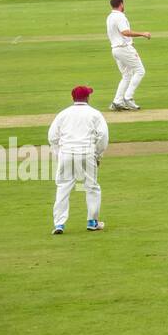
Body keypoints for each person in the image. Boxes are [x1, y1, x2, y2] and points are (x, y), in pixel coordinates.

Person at [48, 86, 109, 234]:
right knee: (92, 187)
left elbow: (52, 137)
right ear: (87, 98)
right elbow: (103, 136)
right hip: (87, 153)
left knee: (63, 187)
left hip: (67, 153)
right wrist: (98, 155)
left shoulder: (63, 114)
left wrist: (59, 153)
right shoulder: (95, 114)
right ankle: (92, 221)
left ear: (73, 98)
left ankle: (59, 224)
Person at [106, 0, 151, 112]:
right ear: (121, 4)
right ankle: (128, 97)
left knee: (126, 76)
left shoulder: (110, 17)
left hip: (116, 49)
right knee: (140, 71)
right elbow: (125, 32)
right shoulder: (119, 16)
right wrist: (142, 34)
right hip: (123, 48)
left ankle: (117, 101)